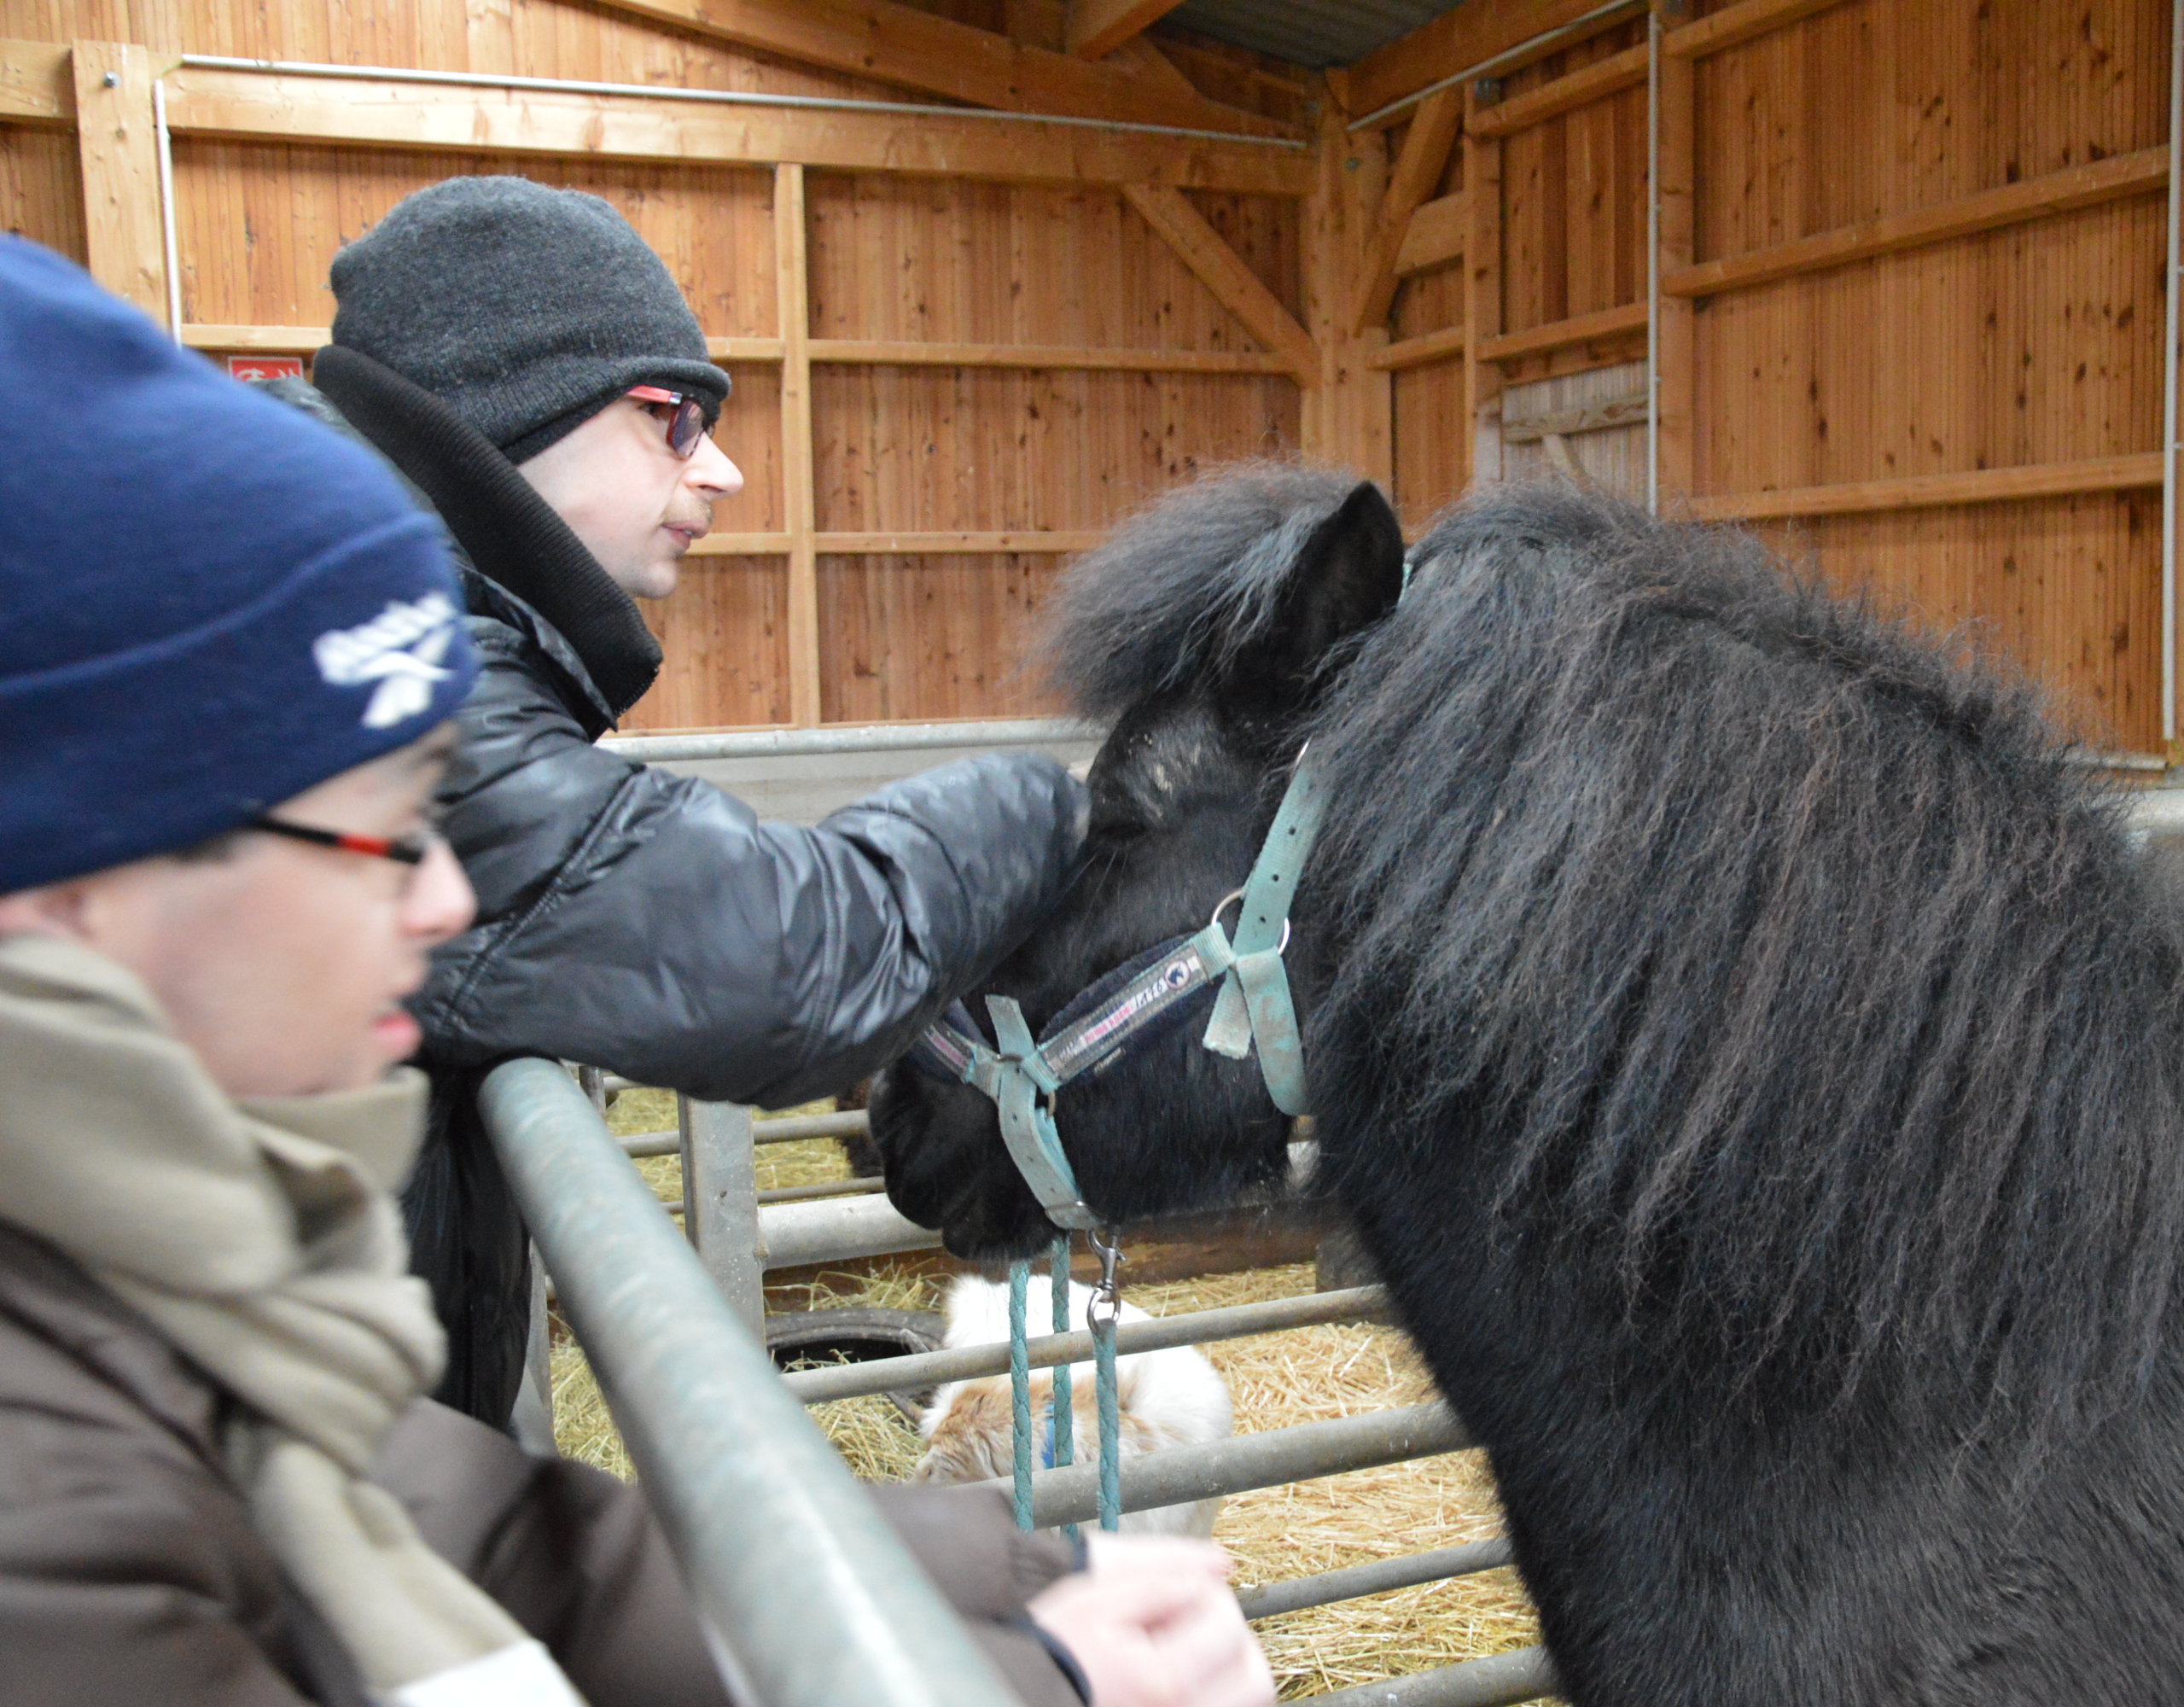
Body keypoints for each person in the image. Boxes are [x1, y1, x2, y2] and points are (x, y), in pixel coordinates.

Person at [0, 236, 1273, 1707]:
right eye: (376, 836)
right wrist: (1073, 806)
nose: (450, 895)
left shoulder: (159, 1297)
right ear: (77, 879)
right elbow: (780, 955)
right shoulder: (53, 1508)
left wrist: (1014, 1596)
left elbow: (473, 1527)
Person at [260, 176, 1090, 1426]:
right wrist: (1059, 803)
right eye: (674, 419)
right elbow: (772, 965)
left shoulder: (339, 569)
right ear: (508, 400)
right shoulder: (342, 626)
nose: (726, 472)